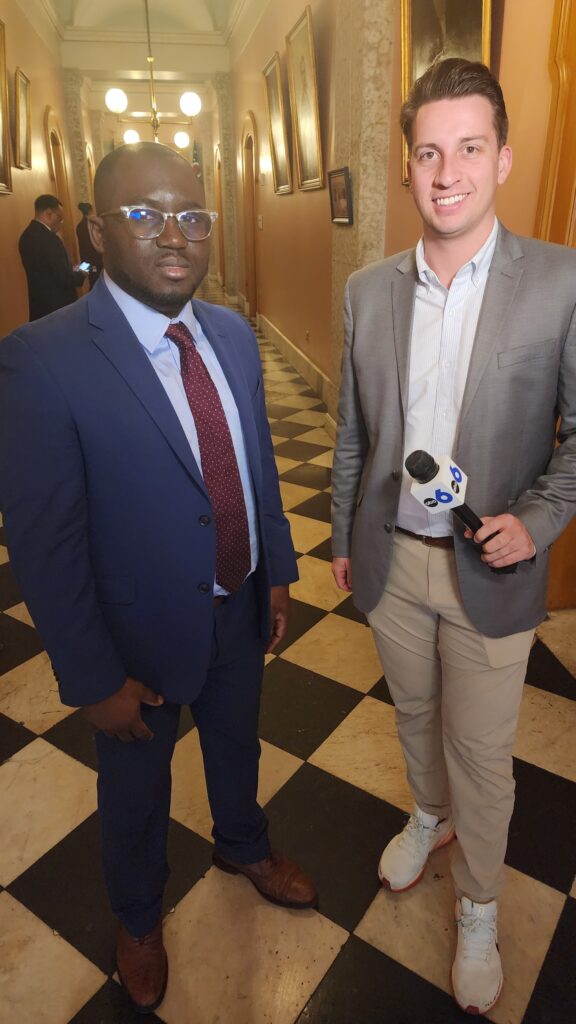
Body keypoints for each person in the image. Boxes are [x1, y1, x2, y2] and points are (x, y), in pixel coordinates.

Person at [0, 142, 317, 1015]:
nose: (174, 235)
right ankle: (139, 917)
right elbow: (46, 544)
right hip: (132, 636)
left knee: (237, 745)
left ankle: (242, 844)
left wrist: (276, 571)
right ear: (98, 231)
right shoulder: (44, 358)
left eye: (192, 214)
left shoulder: (229, 334)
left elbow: (254, 466)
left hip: (238, 608)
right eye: (144, 215)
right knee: (134, 793)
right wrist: (91, 678)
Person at [331, 58, 576, 1016]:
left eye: (469, 148)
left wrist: (543, 518)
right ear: (407, 165)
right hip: (391, 562)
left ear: (502, 157)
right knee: (414, 719)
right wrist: (344, 533)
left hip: (492, 575)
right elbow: (353, 431)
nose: (447, 172)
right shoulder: (366, 291)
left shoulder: (560, 281)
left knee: (484, 753)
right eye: (429, 151)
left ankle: (478, 905)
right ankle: (425, 816)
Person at [18, 194, 86, 320]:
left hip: (39, 307)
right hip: (59, 307)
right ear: (49, 214)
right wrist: (82, 272)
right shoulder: (51, 240)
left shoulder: (25, 237)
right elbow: (65, 278)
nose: (61, 224)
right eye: (60, 219)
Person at [76, 201, 103, 288]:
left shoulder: (79, 226)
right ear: (91, 210)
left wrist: (84, 266)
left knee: (93, 283)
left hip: (87, 262)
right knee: (101, 283)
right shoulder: (95, 222)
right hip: (98, 260)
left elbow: (82, 247)